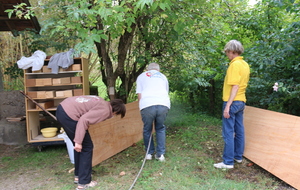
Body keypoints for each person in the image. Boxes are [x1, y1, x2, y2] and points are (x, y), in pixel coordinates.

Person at [56, 95, 126, 189]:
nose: (114, 116)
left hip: (63, 109)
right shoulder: (105, 110)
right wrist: (78, 141)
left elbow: (85, 115)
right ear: (116, 111)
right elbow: (84, 120)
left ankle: (78, 176)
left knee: (79, 148)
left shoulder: (102, 102)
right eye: (116, 114)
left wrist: (78, 142)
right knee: (86, 147)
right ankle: (84, 182)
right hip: (69, 114)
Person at [214, 40, 250, 169]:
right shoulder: (245, 64)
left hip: (232, 101)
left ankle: (228, 162)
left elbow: (235, 86)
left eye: (227, 52)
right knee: (239, 130)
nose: (227, 54)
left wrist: (228, 106)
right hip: (241, 101)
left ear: (232, 51)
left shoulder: (234, 65)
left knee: (228, 132)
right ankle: (238, 156)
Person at [136, 62, 170, 162]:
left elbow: (139, 94)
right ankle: (160, 155)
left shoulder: (141, 76)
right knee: (160, 128)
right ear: (158, 70)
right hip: (163, 104)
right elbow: (166, 92)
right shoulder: (163, 77)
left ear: (148, 69)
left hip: (147, 104)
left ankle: (149, 154)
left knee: (147, 129)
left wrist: (141, 107)